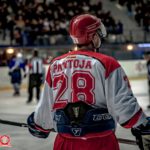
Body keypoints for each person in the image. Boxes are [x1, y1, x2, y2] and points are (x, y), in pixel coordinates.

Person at [27, 14, 150, 150]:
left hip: (65, 143)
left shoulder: (55, 64)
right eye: (98, 33)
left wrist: (39, 124)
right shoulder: (107, 63)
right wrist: (142, 124)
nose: (100, 37)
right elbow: (124, 108)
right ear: (93, 36)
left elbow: (46, 109)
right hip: (100, 142)